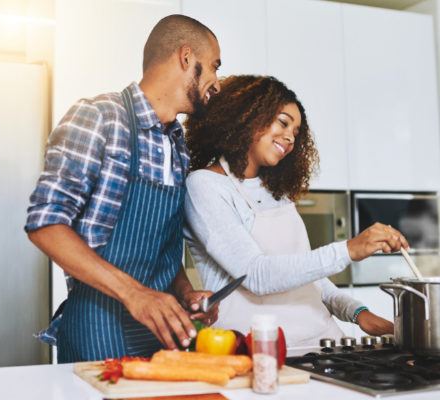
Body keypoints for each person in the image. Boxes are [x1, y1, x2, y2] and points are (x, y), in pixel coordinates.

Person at [25, 15, 222, 363]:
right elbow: (46, 225)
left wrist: (185, 292)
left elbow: (160, 245)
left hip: (161, 337)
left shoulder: (178, 146)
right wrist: (136, 295)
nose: (217, 83)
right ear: (187, 57)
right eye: (214, 67)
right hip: (96, 333)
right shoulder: (100, 117)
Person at [182, 75, 408, 347]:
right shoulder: (204, 186)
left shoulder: (276, 190)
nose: (289, 137)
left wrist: (357, 312)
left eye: (296, 132)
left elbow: (306, 276)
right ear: (247, 115)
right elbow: (256, 275)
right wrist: (348, 249)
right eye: (283, 122)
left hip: (323, 341)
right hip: (256, 348)